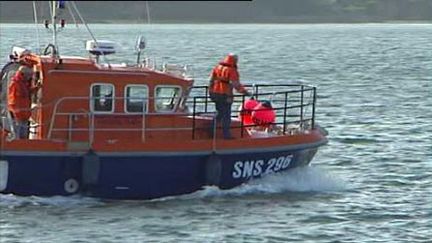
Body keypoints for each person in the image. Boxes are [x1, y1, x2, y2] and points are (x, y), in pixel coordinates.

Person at [209, 53, 251, 139]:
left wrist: (210, 92)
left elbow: (211, 80)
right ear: (234, 60)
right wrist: (245, 92)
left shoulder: (217, 67)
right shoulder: (232, 70)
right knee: (226, 115)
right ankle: (226, 135)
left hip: (216, 94)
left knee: (219, 113)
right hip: (225, 95)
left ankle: (211, 128)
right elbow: (236, 85)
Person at [8, 65, 39, 139]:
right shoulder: (16, 83)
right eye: (29, 75)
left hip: (23, 113)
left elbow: (27, 92)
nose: (30, 77)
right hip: (17, 113)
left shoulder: (23, 82)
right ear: (23, 74)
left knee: (23, 134)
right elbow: (23, 93)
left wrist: (36, 87)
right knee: (17, 134)